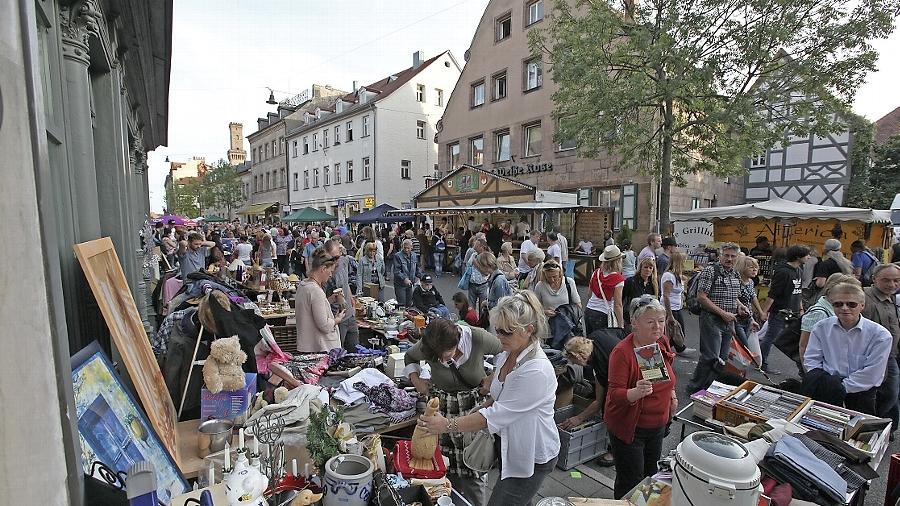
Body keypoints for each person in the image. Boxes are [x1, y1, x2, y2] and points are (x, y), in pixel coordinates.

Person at [418, 291, 560, 506]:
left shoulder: (536, 371)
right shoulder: (506, 353)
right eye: (498, 330)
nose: (499, 337)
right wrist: (482, 406)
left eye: (507, 332)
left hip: (532, 453)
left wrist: (446, 425)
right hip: (511, 446)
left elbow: (495, 415)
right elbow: (499, 397)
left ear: (529, 330)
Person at [404, 319, 502, 505]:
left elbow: (506, 352)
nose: (442, 360)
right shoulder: (429, 343)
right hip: (443, 408)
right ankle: (446, 499)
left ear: (457, 339)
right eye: (437, 356)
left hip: (473, 409)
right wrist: (416, 380)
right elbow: (410, 356)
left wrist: (494, 377)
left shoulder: (477, 338)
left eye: (447, 353)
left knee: (473, 465)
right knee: (444, 464)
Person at [605, 296, 677, 498]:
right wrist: (635, 392)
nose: (658, 327)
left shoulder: (660, 342)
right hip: (631, 428)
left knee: (651, 477)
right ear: (634, 324)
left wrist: (671, 394)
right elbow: (614, 395)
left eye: (661, 321)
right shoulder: (622, 352)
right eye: (650, 321)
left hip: (657, 426)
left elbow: (669, 374)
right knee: (631, 480)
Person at [803, 282, 892, 415]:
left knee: (856, 432)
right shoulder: (821, 327)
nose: (844, 308)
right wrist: (826, 383)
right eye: (838, 304)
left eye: (851, 304)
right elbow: (812, 359)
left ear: (862, 305)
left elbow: (873, 372)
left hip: (861, 392)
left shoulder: (880, 335)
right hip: (826, 387)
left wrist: (841, 387)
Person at [686, 242, 743, 394]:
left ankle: (709, 387)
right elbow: (701, 297)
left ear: (737, 258)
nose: (729, 259)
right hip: (711, 319)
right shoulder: (710, 271)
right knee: (710, 356)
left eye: (732, 256)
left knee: (722, 359)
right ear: (720, 255)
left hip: (728, 321)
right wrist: (723, 313)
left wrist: (739, 305)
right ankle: (695, 387)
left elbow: (733, 295)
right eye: (726, 255)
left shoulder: (735, 273)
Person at [558, 333, 620, 466]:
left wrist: (578, 418)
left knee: (612, 412)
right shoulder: (596, 338)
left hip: (628, 385)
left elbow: (599, 401)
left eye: (574, 362)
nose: (575, 365)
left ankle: (617, 451)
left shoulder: (602, 364)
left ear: (579, 357)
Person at [759, 245, 809, 372]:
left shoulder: (799, 269)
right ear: (798, 257)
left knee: (793, 338)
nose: (809, 257)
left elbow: (798, 291)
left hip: (794, 310)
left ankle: (801, 368)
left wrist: (801, 308)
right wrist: (764, 312)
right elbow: (773, 294)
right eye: (806, 255)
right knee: (771, 336)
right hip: (780, 311)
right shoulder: (783, 272)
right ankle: (761, 362)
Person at [864, 264, 900, 434]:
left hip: (891, 355)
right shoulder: (866, 298)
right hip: (873, 357)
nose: (892, 284)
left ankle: (884, 427)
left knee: (891, 393)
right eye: (886, 280)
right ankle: (874, 428)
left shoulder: (892, 298)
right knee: (878, 394)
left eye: (896, 280)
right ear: (874, 279)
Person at [799, 273, 860, 361]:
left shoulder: (837, 309)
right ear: (831, 291)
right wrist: (810, 372)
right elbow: (804, 346)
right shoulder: (819, 313)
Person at [295, 247, 345, 352]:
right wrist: (337, 320)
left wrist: (329, 300)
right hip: (319, 347)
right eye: (330, 271)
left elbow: (310, 307)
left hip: (307, 345)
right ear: (323, 269)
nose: (331, 275)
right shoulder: (315, 290)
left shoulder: (303, 285)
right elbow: (324, 326)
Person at [535, 260, 581, 348]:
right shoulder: (540, 286)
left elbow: (578, 304)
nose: (552, 280)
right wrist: (545, 312)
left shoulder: (569, 282)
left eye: (555, 276)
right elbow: (534, 306)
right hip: (548, 328)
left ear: (560, 273)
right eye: (548, 277)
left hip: (566, 326)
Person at [585, 245, 626, 335]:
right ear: (618, 261)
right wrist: (621, 324)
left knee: (589, 342)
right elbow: (618, 304)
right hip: (603, 313)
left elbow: (589, 294)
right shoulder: (618, 279)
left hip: (589, 310)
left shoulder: (596, 272)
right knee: (603, 344)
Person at [661, 251, 690, 353]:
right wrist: (669, 315)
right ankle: (665, 351)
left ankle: (676, 348)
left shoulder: (676, 275)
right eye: (684, 261)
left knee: (678, 330)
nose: (685, 263)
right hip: (670, 308)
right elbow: (666, 296)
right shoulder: (669, 276)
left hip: (677, 308)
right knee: (670, 332)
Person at [733, 256, 763, 348]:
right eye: (751, 267)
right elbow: (733, 297)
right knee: (744, 345)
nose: (755, 270)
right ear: (742, 267)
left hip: (748, 317)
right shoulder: (736, 281)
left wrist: (760, 311)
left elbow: (753, 296)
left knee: (745, 345)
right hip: (737, 317)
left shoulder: (750, 282)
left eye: (756, 267)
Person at [623, 257, 659, 325]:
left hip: (648, 318)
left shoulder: (654, 284)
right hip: (632, 317)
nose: (648, 270)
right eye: (645, 267)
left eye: (650, 268)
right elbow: (622, 299)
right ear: (640, 268)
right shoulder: (630, 281)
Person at [465, 237, 490, 308]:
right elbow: (468, 265)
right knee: (471, 306)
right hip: (472, 284)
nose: (474, 247)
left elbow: (486, 272)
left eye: (476, 245)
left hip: (483, 285)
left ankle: (481, 319)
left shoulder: (487, 256)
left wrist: (476, 264)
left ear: (482, 247)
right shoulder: (474, 254)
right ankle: (472, 318)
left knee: (483, 307)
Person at [393, 238, 418, 307]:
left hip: (410, 283)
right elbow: (397, 271)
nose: (406, 250)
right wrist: (405, 278)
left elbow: (417, 268)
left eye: (408, 248)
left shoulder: (414, 255)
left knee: (409, 304)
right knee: (402, 304)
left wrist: (421, 277)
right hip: (400, 284)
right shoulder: (397, 256)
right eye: (405, 248)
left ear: (412, 247)